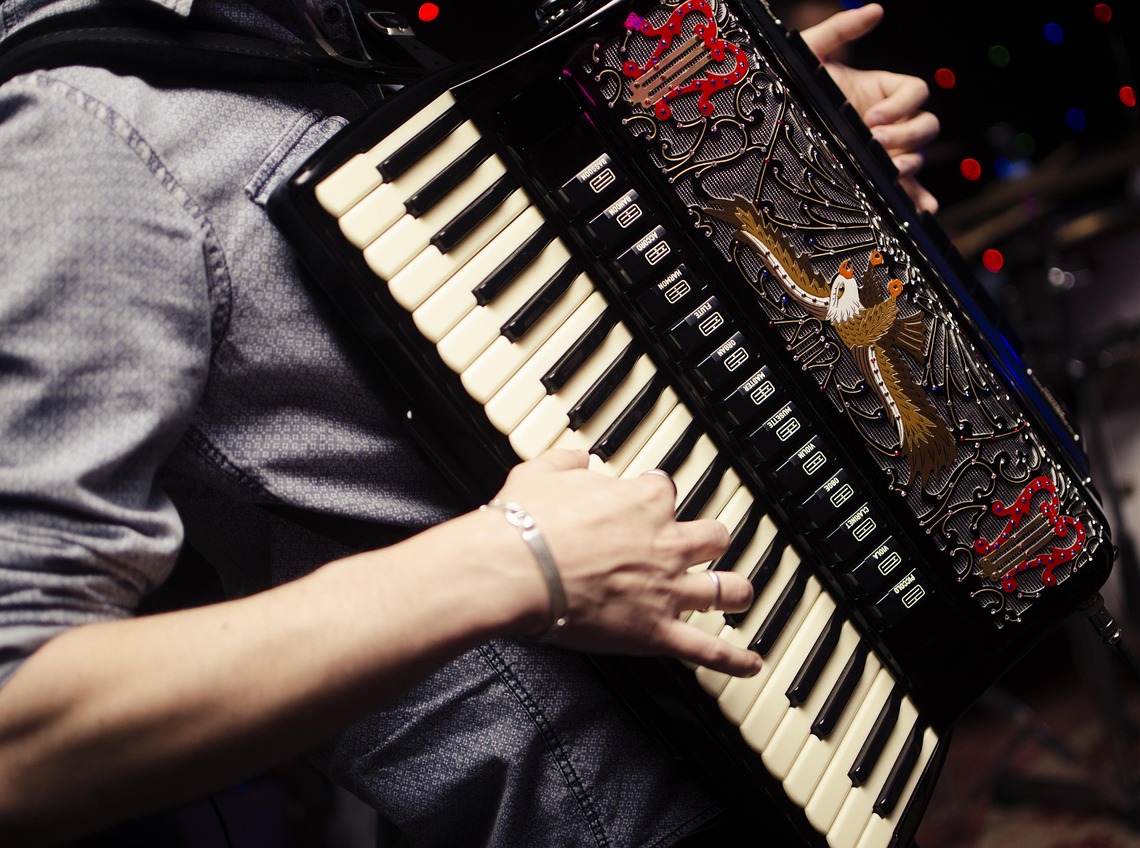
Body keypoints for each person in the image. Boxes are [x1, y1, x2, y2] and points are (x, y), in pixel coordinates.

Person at [0, 1, 938, 844]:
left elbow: (560, 313)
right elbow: (18, 732)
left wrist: (770, 152)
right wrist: (518, 564)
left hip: (804, 717)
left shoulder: (336, 32)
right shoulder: (80, 131)